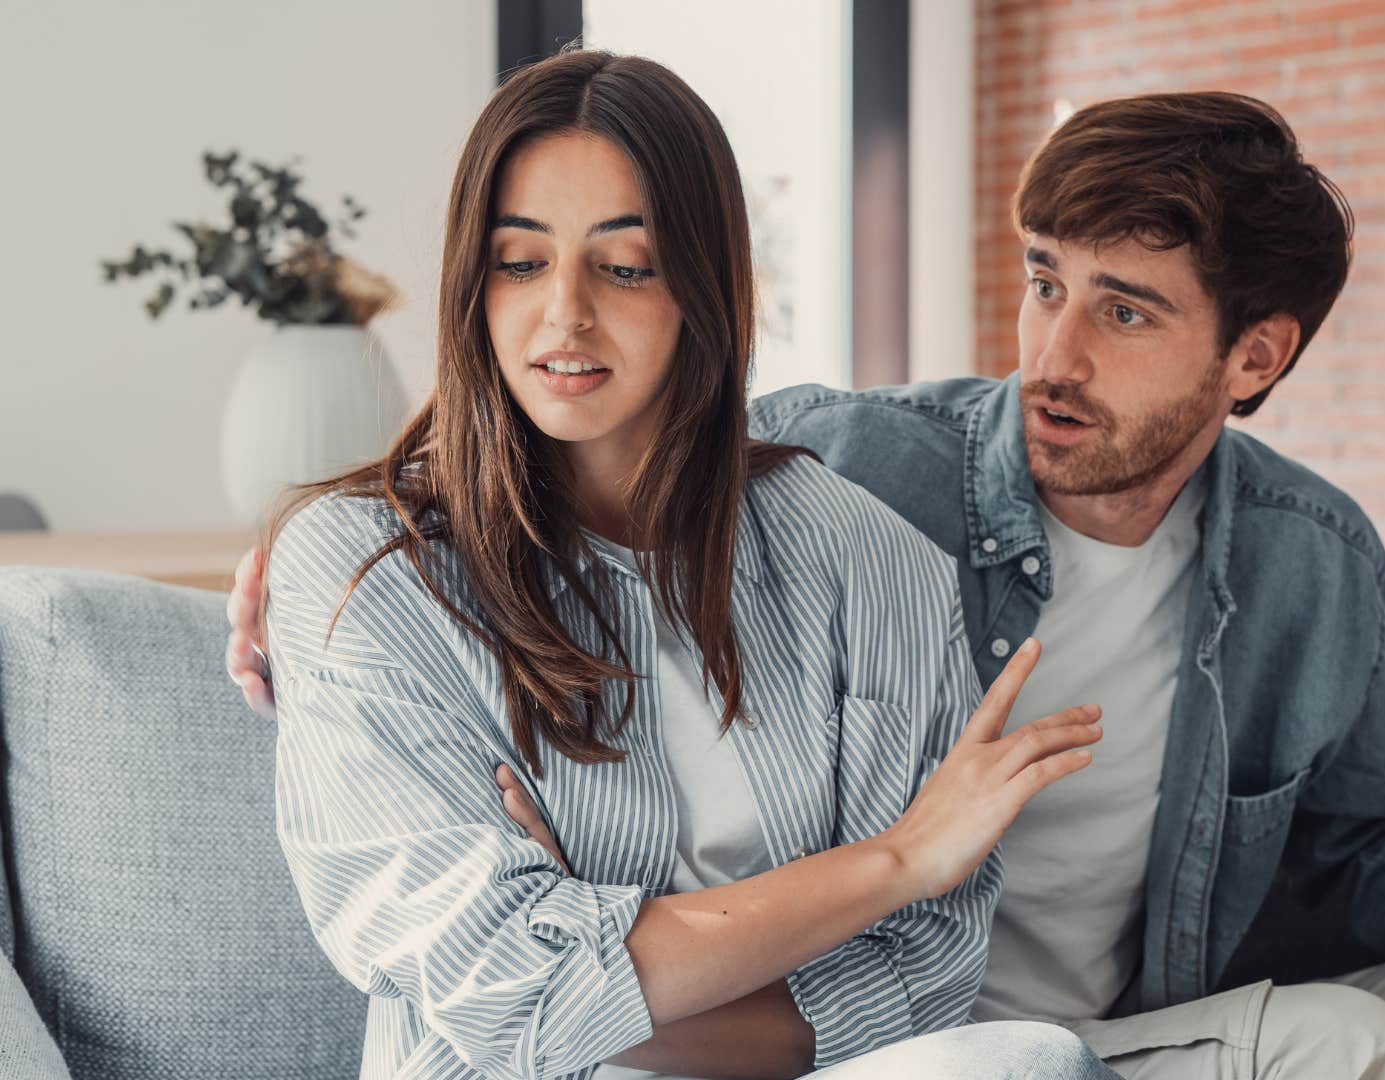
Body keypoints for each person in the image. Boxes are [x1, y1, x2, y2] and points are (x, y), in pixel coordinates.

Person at [235, 88, 1385, 1079]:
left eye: (1124, 310)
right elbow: (606, 422)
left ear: (1252, 357)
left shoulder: (1305, 563)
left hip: (1035, 1025)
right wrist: (323, 556)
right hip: (874, 1035)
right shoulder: (865, 469)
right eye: (1043, 284)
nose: (1053, 353)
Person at [254, 49, 1119, 1080]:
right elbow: (503, 993)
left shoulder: (867, 559)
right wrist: (893, 861)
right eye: (519, 261)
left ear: (703, 286)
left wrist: (601, 946)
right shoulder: (369, 572)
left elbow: (920, 977)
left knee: (1031, 1063)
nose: (564, 312)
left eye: (625, 266)